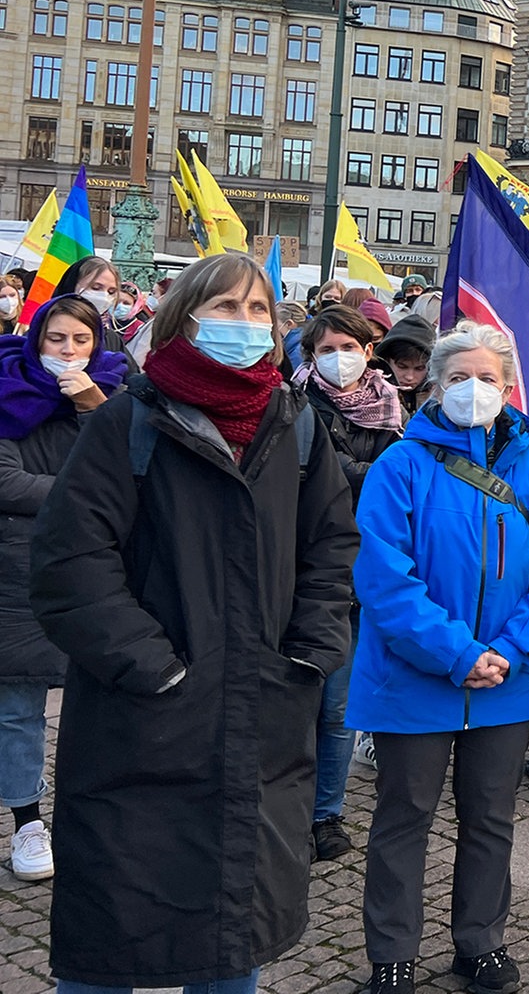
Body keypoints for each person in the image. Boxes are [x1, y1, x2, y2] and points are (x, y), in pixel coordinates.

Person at [29, 254, 358, 993]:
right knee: (110, 937)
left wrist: (309, 652)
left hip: (261, 715)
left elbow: (332, 546)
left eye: (256, 311)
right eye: (225, 307)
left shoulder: (296, 424)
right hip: (143, 720)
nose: (243, 324)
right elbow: (69, 566)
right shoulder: (128, 421)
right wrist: (157, 667)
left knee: (231, 936)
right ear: (183, 317)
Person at [347, 320, 529, 994]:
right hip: (414, 677)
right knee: (402, 819)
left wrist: (511, 650)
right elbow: (386, 579)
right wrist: (458, 653)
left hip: (508, 679)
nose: (473, 389)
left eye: (487, 378)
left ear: (509, 387)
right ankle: (392, 952)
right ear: (435, 385)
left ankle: (481, 942)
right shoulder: (401, 464)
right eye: (459, 378)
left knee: (490, 819)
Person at [0, 294, 129, 882]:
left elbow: (126, 473)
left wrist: (90, 409)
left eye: (81, 340)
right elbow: (7, 481)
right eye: (57, 339)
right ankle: (28, 819)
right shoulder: (9, 392)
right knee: (19, 709)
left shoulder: (114, 396)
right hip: (17, 576)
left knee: (97, 704)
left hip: (95, 571)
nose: (69, 351)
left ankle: (97, 815)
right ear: (37, 339)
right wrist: (79, 493)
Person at [297, 304, 407, 862]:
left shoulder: (392, 406)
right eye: (326, 349)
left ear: (369, 351)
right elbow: (329, 471)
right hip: (310, 567)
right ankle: (289, 808)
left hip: (372, 566)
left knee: (340, 708)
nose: (339, 358)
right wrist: (384, 477)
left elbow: (399, 480)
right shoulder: (297, 404)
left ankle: (326, 814)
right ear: (310, 356)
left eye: (350, 346)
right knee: (298, 702)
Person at [53, 257, 130, 356]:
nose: (104, 297)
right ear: (72, 285)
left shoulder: (111, 338)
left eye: (111, 292)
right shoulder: (43, 329)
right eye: (95, 288)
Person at [375, 314, 437, 415]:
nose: (409, 377)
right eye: (402, 367)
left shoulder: (439, 399)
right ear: (386, 361)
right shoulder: (370, 396)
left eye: (419, 368)